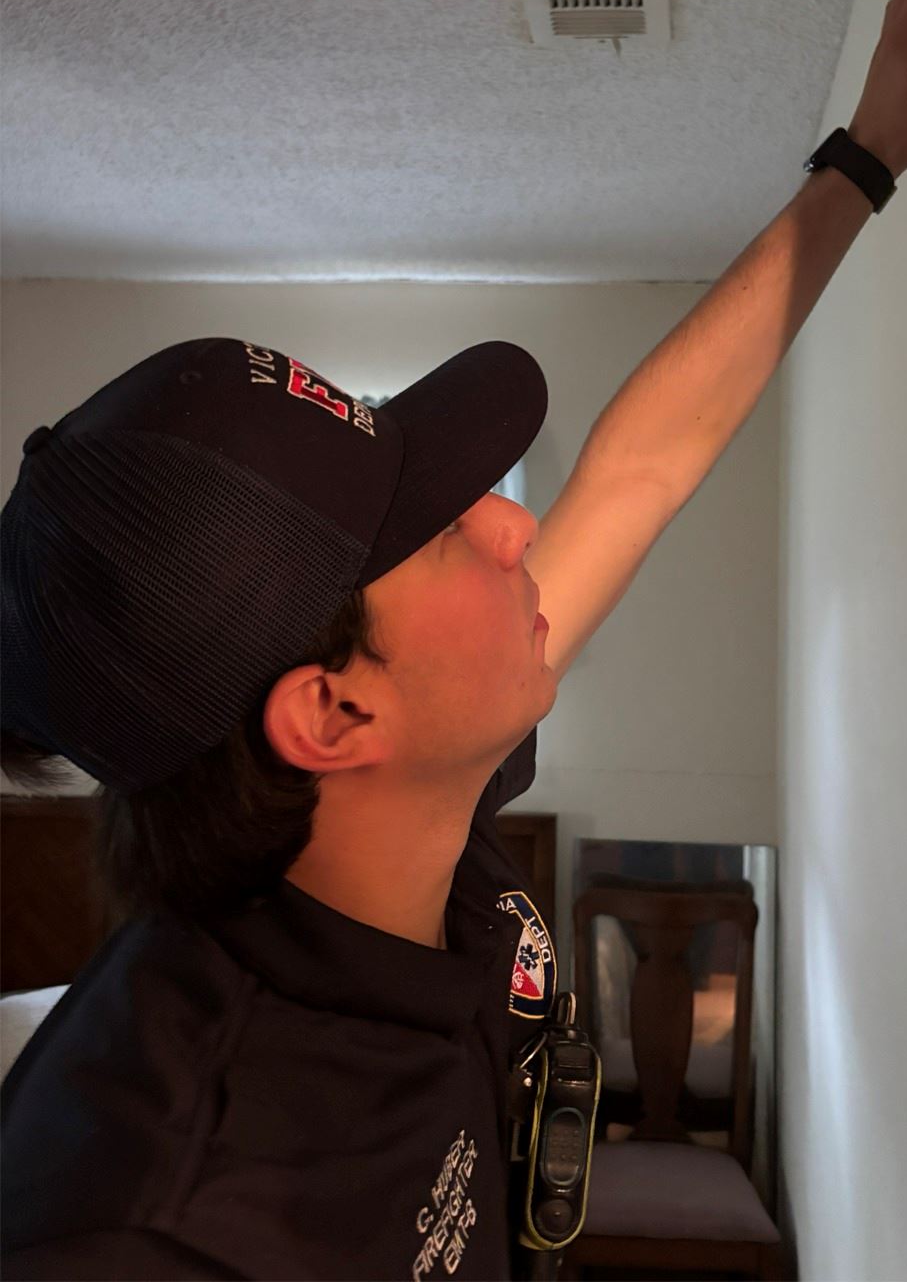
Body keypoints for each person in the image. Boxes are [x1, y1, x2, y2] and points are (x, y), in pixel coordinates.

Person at [1, 335, 562, 1281]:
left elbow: (645, 471)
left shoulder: (419, 839)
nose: (514, 526)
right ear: (334, 715)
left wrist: (859, 178)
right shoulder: (164, 1232)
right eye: (438, 536)